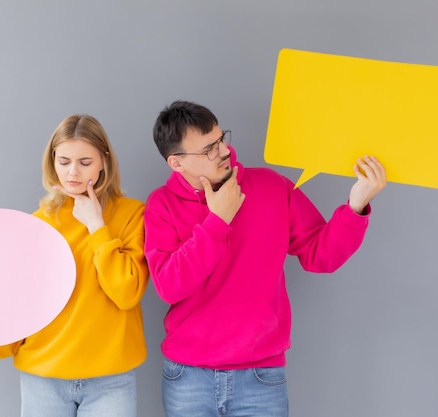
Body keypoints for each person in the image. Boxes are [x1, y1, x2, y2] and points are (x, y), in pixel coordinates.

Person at [144, 100, 386, 417]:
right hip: (189, 377)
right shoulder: (161, 205)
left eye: (220, 139)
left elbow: (320, 255)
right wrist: (217, 221)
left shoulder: (271, 186)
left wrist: (356, 206)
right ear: (177, 164)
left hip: (260, 376)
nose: (223, 151)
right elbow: (170, 286)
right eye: (208, 150)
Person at [0, 114, 149, 417]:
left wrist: (96, 226)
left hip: (111, 381)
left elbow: (126, 293)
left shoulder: (133, 215)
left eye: (85, 162)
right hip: (43, 381)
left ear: (104, 161)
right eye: (64, 161)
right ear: (52, 161)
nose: (73, 173)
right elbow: (16, 313)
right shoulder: (36, 225)